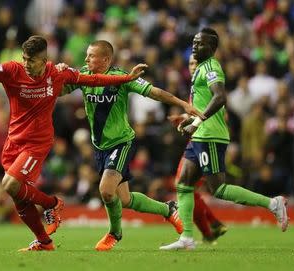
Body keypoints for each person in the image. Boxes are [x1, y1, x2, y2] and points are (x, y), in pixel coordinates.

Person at [0, 35, 148, 251]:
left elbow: (95, 80)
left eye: (31, 60)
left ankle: (53, 204)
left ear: (44, 60)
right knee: (18, 195)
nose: (26, 64)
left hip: (37, 142)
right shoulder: (13, 70)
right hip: (14, 141)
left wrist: (126, 79)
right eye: (24, 58)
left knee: (10, 184)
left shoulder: (57, 73)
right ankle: (44, 242)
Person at [59, 40, 205, 251]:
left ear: (106, 59)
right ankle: (168, 209)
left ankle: (114, 233)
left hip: (121, 142)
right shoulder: (84, 75)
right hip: (100, 146)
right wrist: (57, 73)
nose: (86, 59)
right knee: (125, 199)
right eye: (87, 55)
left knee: (106, 191)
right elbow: (61, 91)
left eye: (91, 56)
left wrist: (183, 104)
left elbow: (154, 92)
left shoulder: (122, 78)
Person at [160, 28, 289, 251]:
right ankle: (187, 238)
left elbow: (220, 97)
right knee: (184, 184)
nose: (194, 46)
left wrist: (196, 123)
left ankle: (273, 203)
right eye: (193, 42)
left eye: (200, 43)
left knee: (218, 189)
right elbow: (204, 103)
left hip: (210, 135)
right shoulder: (200, 67)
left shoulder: (211, 67)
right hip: (201, 134)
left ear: (212, 47)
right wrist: (187, 118)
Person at [168, 54, 227, 244]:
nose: (193, 66)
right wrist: (185, 117)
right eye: (190, 63)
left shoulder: (209, 79)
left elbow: (215, 108)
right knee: (186, 187)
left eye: (196, 62)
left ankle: (209, 228)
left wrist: (192, 120)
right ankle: (211, 227)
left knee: (188, 186)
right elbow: (200, 111)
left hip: (206, 140)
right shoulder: (195, 86)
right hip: (196, 140)